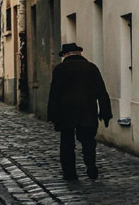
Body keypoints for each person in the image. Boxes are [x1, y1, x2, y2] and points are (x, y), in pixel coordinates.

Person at [47, 42, 112, 180]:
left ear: (65, 55)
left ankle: (70, 173)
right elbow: (101, 91)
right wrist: (105, 112)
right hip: (87, 110)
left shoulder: (60, 69)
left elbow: (54, 93)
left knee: (67, 143)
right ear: (79, 53)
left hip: (66, 112)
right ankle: (90, 165)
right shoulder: (91, 68)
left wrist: (52, 114)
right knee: (88, 140)